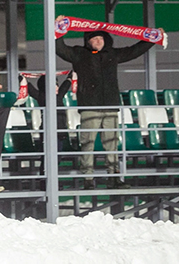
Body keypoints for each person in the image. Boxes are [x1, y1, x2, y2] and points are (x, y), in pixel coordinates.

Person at [55, 18, 156, 190]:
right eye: (93, 39)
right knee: (87, 143)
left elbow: (134, 50)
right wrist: (57, 30)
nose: (97, 41)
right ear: (87, 41)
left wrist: (152, 39)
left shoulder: (113, 54)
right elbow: (60, 49)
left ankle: (114, 177)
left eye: (100, 38)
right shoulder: (79, 54)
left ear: (106, 40)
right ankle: (88, 179)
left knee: (112, 143)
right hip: (89, 107)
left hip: (110, 106)